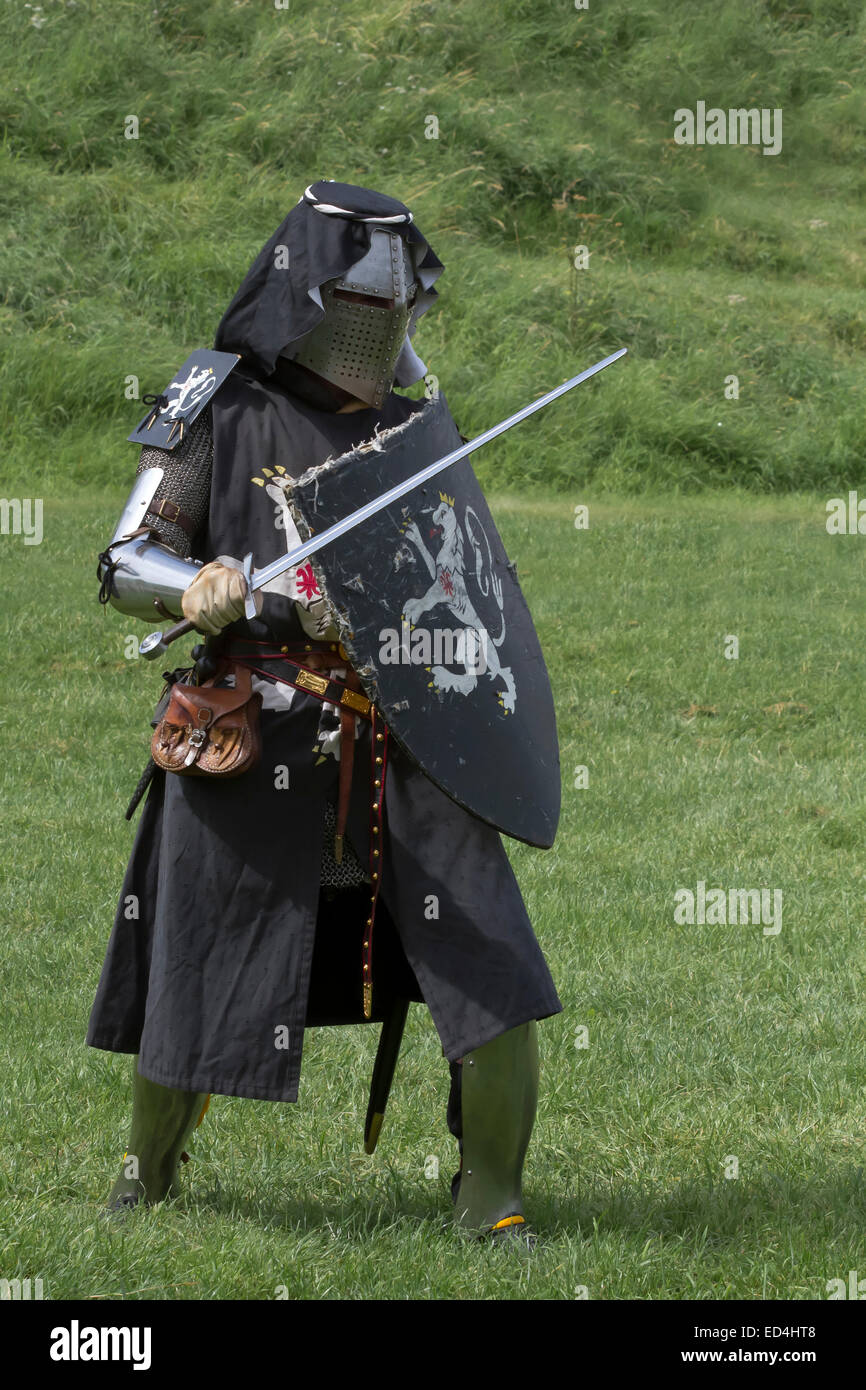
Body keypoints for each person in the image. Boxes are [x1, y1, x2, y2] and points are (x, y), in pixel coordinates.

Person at [89, 182, 562, 1242]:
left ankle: (492, 1197)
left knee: (490, 956)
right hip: (248, 724)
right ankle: (148, 1176)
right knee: (194, 960)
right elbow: (124, 560)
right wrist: (194, 582)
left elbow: (469, 576)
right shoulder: (217, 400)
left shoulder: (411, 427)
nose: (376, 331)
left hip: (404, 723)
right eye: (357, 307)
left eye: (391, 311)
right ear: (304, 293)